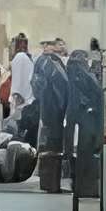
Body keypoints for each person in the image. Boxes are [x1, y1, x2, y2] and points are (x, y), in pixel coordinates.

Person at [65, 46, 103, 195]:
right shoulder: (81, 71)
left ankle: (80, 186)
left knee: (79, 153)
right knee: (87, 152)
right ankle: (86, 188)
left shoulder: (71, 70)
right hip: (87, 118)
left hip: (76, 117)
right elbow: (97, 93)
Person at [34, 42, 69, 192]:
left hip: (47, 112)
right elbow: (63, 90)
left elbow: (36, 86)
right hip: (54, 114)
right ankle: (51, 184)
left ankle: (48, 183)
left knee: (48, 147)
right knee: (52, 148)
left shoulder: (44, 63)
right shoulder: (52, 65)